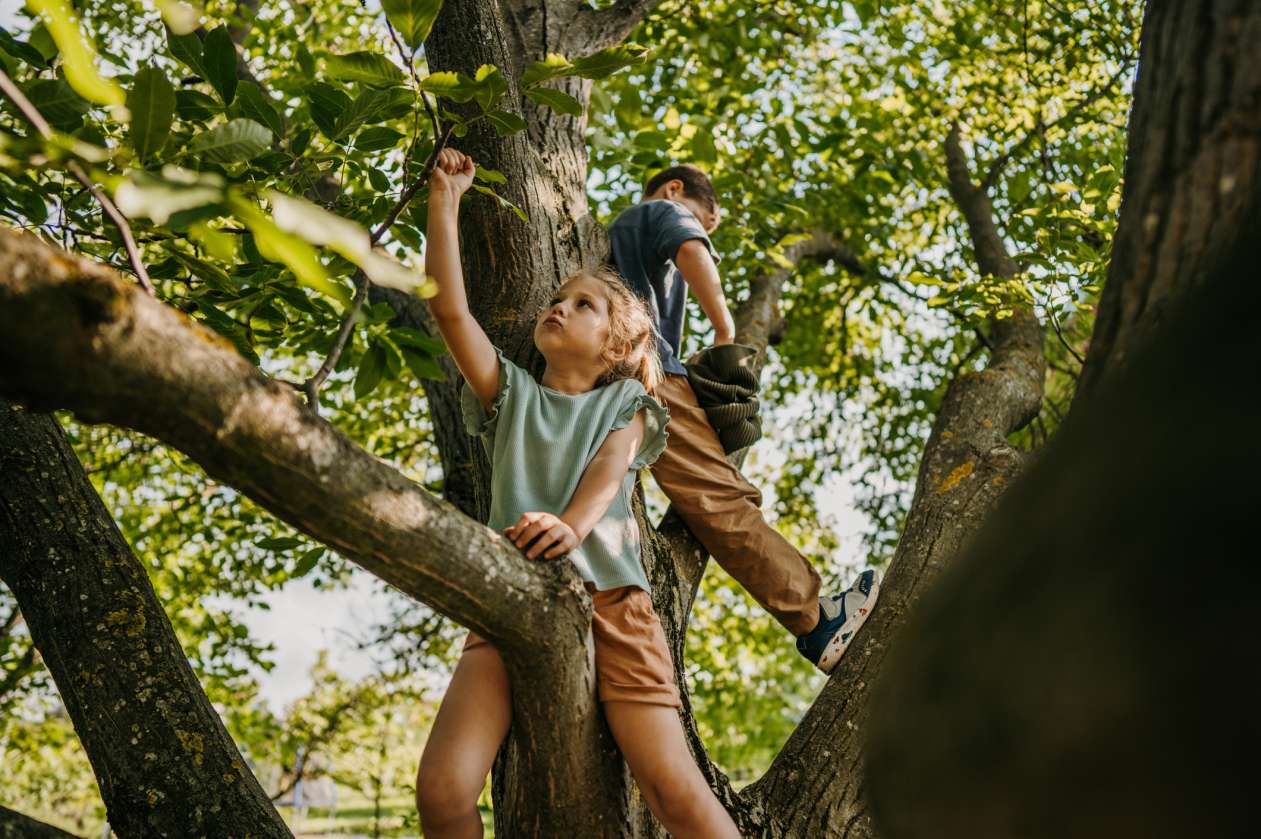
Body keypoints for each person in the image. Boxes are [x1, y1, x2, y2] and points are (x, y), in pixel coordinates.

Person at [414, 148, 740, 839]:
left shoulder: (626, 401)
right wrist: (444, 200)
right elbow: (449, 310)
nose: (559, 306)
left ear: (618, 345)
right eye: (555, 300)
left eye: (582, 304)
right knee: (441, 788)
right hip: (508, 595)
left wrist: (569, 525)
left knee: (673, 791)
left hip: (616, 604)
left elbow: (610, 469)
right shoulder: (510, 394)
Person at [607, 164, 879, 673]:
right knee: (723, 501)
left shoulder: (620, 241)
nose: (702, 231)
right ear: (674, 190)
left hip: (606, 386)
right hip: (647, 375)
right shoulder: (658, 209)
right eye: (705, 220)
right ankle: (818, 620)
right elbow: (690, 250)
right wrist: (724, 329)